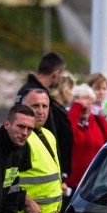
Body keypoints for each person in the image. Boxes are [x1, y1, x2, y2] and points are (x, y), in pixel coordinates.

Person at [15, 52, 73, 194]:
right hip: (32, 200)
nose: (40, 111)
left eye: (44, 106)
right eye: (35, 106)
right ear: (56, 74)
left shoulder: (31, 90)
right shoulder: (32, 92)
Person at [66, 84, 107, 194]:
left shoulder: (99, 121)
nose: (85, 105)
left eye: (89, 100)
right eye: (82, 101)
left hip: (96, 183)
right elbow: (68, 135)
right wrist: (77, 108)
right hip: (71, 185)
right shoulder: (69, 121)